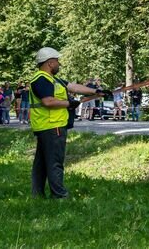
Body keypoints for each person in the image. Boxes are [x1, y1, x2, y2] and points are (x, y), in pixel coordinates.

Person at [28, 47, 106, 199]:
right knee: (55, 162)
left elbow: (73, 86)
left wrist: (95, 92)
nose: (59, 64)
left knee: (42, 162)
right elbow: (48, 101)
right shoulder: (41, 79)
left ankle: (37, 195)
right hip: (52, 126)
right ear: (50, 63)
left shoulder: (52, 79)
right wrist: (69, 104)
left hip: (49, 126)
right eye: (57, 61)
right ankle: (59, 196)